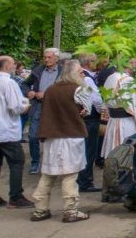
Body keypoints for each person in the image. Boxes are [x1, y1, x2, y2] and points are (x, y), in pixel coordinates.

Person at [29, 59, 93, 223]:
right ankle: (70, 210)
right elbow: (86, 111)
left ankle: (40, 209)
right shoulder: (79, 89)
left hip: (52, 136)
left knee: (48, 174)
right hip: (71, 136)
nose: (82, 73)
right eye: (80, 71)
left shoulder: (50, 89)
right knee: (70, 174)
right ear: (73, 73)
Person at [0, 55, 33, 209]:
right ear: (5, 66)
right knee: (17, 162)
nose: (14, 65)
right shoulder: (9, 83)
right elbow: (15, 106)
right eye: (12, 63)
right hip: (6, 130)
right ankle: (15, 197)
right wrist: (25, 106)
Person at [23, 47, 62, 174]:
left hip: (55, 107)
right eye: (45, 57)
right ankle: (35, 162)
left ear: (56, 58)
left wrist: (48, 94)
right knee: (33, 135)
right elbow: (24, 84)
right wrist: (29, 92)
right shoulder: (38, 70)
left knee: (54, 135)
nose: (46, 60)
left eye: (49, 57)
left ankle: (53, 162)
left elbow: (68, 88)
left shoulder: (63, 71)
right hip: (38, 106)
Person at [100, 60, 136, 160]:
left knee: (113, 153)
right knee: (126, 155)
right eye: (134, 62)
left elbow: (105, 100)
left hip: (112, 121)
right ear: (128, 64)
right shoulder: (128, 80)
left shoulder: (110, 78)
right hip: (126, 123)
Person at [74, 54, 105, 193]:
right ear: (89, 63)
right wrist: (102, 111)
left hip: (82, 118)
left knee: (84, 149)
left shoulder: (81, 77)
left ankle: (81, 178)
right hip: (90, 118)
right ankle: (85, 181)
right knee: (89, 150)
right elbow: (96, 99)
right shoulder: (87, 79)